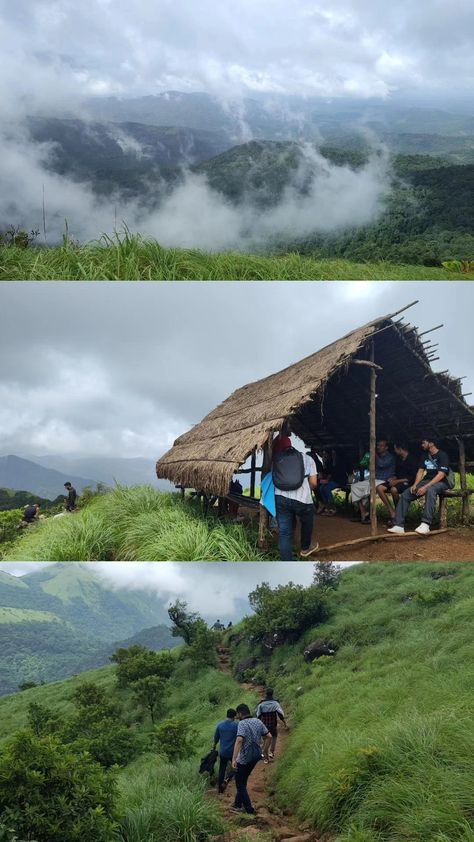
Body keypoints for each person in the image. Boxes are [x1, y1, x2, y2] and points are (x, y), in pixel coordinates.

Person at [388, 438, 453, 535]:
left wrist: (425, 487)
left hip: (442, 481)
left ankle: (425, 524)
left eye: (424, 442)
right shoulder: (425, 455)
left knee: (431, 490)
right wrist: (415, 485)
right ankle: (399, 525)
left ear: (431, 443)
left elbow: (441, 475)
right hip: (427, 480)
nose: (422, 445)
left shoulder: (442, 455)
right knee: (407, 493)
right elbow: (420, 471)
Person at [272, 435, 319, 560]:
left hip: (280, 498)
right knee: (307, 520)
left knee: (285, 532)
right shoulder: (307, 459)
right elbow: (314, 483)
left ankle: (287, 559)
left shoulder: (275, 461)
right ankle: (305, 548)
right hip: (302, 499)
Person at [231, 703, 271, 815]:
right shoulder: (258, 721)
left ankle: (249, 809)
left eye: (237, 714)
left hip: (244, 758)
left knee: (240, 783)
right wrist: (264, 750)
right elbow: (269, 736)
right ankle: (237, 804)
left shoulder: (242, 723)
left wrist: (234, 759)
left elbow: (239, 740)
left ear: (240, 713)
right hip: (256, 756)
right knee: (242, 780)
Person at [351, 441, 395, 524]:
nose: (378, 447)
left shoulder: (390, 457)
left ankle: (392, 512)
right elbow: (368, 466)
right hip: (375, 480)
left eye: (381, 446)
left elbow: (382, 464)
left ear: (386, 448)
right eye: (378, 445)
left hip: (385, 480)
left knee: (375, 487)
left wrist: (374, 454)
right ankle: (364, 513)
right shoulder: (376, 456)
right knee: (355, 487)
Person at [379, 442, 419, 522]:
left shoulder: (412, 459)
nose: (394, 451)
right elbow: (397, 473)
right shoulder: (399, 459)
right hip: (397, 480)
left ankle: (399, 513)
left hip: (408, 482)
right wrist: (393, 478)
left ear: (400, 449)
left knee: (394, 490)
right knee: (379, 488)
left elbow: (412, 477)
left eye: (395, 449)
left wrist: (397, 481)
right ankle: (392, 511)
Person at [256, 688, 287, 762]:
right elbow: (280, 714)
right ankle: (271, 752)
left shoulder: (261, 704)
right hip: (273, 725)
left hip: (264, 726)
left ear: (266, 694)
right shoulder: (275, 703)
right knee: (274, 736)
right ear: (272, 693)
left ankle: (266, 759)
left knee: (265, 740)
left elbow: (258, 715)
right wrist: (284, 722)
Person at [213, 708, 238, 793]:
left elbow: (216, 738)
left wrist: (213, 747)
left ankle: (220, 789)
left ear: (226, 715)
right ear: (234, 716)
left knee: (222, 769)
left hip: (223, 752)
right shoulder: (236, 726)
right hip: (232, 752)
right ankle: (227, 779)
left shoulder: (220, 725)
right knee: (237, 767)